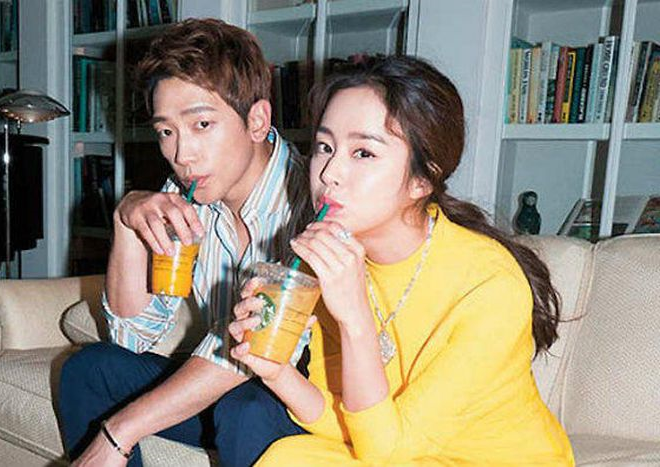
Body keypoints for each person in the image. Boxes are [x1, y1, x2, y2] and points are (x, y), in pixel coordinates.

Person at [228, 56, 575, 465]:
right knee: (287, 456)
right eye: (324, 147)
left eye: (363, 153)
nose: (329, 173)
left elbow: (388, 453)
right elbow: (347, 421)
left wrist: (355, 320)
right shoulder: (334, 266)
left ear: (422, 179)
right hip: (398, 449)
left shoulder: (490, 285)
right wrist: (276, 371)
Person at [58, 18, 312, 467]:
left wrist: (119, 431)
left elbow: (254, 350)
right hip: (222, 389)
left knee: (246, 410)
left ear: (257, 120)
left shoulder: (311, 201)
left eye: (201, 124)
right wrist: (125, 223)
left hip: (302, 401)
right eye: (166, 131)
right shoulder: (185, 197)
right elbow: (132, 337)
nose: (181, 155)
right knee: (89, 369)